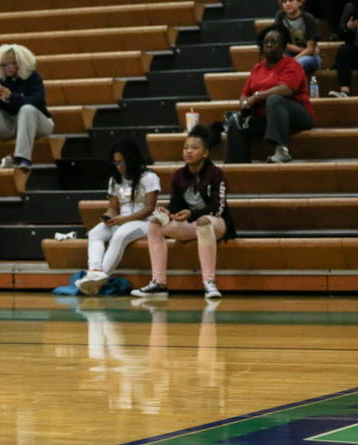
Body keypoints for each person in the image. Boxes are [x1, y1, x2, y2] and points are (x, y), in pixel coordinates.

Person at [132, 125, 235, 300]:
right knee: (155, 224)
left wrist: (191, 214)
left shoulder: (216, 174)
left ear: (205, 153)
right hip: (190, 224)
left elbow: (218, 208)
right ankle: (159, 283)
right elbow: (176, 204)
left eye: (194, 148)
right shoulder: (178, 175)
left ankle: (209, 283)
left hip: (216, 223)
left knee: (203, 221)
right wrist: (168, 210)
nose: (188, 151)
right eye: (186, 147)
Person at [74, 138, 159, 295]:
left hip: (144, 222)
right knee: (95, 233)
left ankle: (97, 279)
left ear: (132, 159)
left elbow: (149, 208)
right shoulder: (115, 179)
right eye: (115, 162)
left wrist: (123, 219)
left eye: (121, 162)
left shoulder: (149, 177)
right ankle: (95, 270)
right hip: (122, 220)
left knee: (119, 235)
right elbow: (113, 207)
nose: (119, 166)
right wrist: (108, 217)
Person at [225, 25, 314, 164]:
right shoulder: (257, 68)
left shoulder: (292, 65)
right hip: (266, 119)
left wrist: (256, 97)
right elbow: (244, 94)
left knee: (274, 99)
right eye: (266, 42)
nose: (269, 44)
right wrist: (244, 104)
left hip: (296, 115)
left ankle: (281, 150)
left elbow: (287, 89)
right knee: (235, 122)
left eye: (273, 42)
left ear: (283, 47)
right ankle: (237, 168)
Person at [273, 0, 320, 75]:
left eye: (291, 0)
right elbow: (280, 42)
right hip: (290, 54)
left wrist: (292, 61)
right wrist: (299, 50)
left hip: (309, 57)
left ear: (299, 2)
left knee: (296, 65)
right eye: (284, 1)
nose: (287, 4)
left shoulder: (307, 18)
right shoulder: (280, 16)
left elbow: (310, 50)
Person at [330, 0, 358, 98]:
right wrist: (348, 27)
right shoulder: (350, 7)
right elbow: (340, 34)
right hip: (355, 49)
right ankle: (344, 91)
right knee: (344, 51)